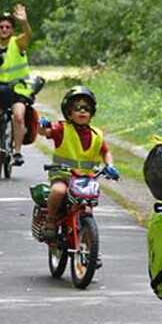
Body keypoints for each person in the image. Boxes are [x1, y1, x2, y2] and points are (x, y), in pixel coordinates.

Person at [37, 86, 119, 241]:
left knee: (87, 208)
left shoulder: (97, 134)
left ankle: (89, 247)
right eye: (77, 108)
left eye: (86, 109)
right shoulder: (62, 128)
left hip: (86, 179)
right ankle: (51, 220)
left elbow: (105, 152)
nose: (82, 111)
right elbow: (43, 132)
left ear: (92, 113)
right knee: (58, 191)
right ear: (69, 112)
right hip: (63, 175)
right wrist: (41, 125)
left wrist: (110, 165)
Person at [0, 4, 33, 166]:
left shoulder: (18, 43)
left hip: (18, 89)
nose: (4, 29)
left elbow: (28, 35)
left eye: (8, 27)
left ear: (12, 30)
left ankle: (17, 152)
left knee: (18, 115)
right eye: (1, 27)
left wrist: (24, 22)